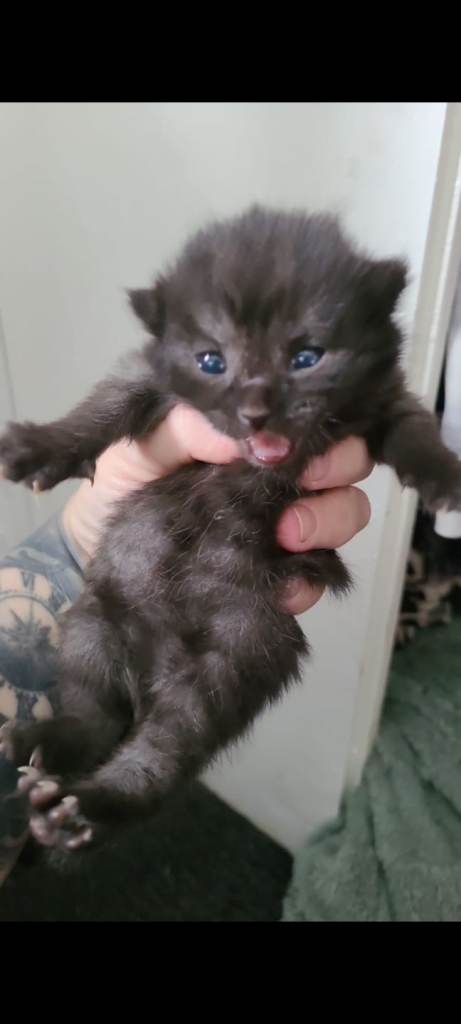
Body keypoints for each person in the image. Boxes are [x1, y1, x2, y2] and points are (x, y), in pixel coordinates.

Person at [0, 405, 373, 883]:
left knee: (210, 684)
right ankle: (84, 758)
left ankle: (112, 794)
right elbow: (137, 391)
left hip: (241, 593)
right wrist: (67, 443)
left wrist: (73, 539)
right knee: (96, 644)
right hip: (136, 570)